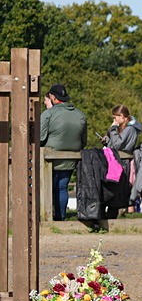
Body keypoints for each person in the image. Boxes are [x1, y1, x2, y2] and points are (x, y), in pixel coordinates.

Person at [39, 83, 88, 221]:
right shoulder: (80, 115)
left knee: (49, 188)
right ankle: (61, 217)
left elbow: (40, 138)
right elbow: (83, 141)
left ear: (53, 97)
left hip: (49, 160)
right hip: (70, 160)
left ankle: (47, 217)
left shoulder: (48, 114)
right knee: (62, 187)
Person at [102, 105, 142, 213]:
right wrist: (107, 141)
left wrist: (113, 129)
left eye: (115, 117)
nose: (114, 120)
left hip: (122, 163)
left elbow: (118, 144)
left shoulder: (130, 129)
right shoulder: (125, 128)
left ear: (121, 116)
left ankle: (112, 215)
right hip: (118, 161)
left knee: (117, 191)